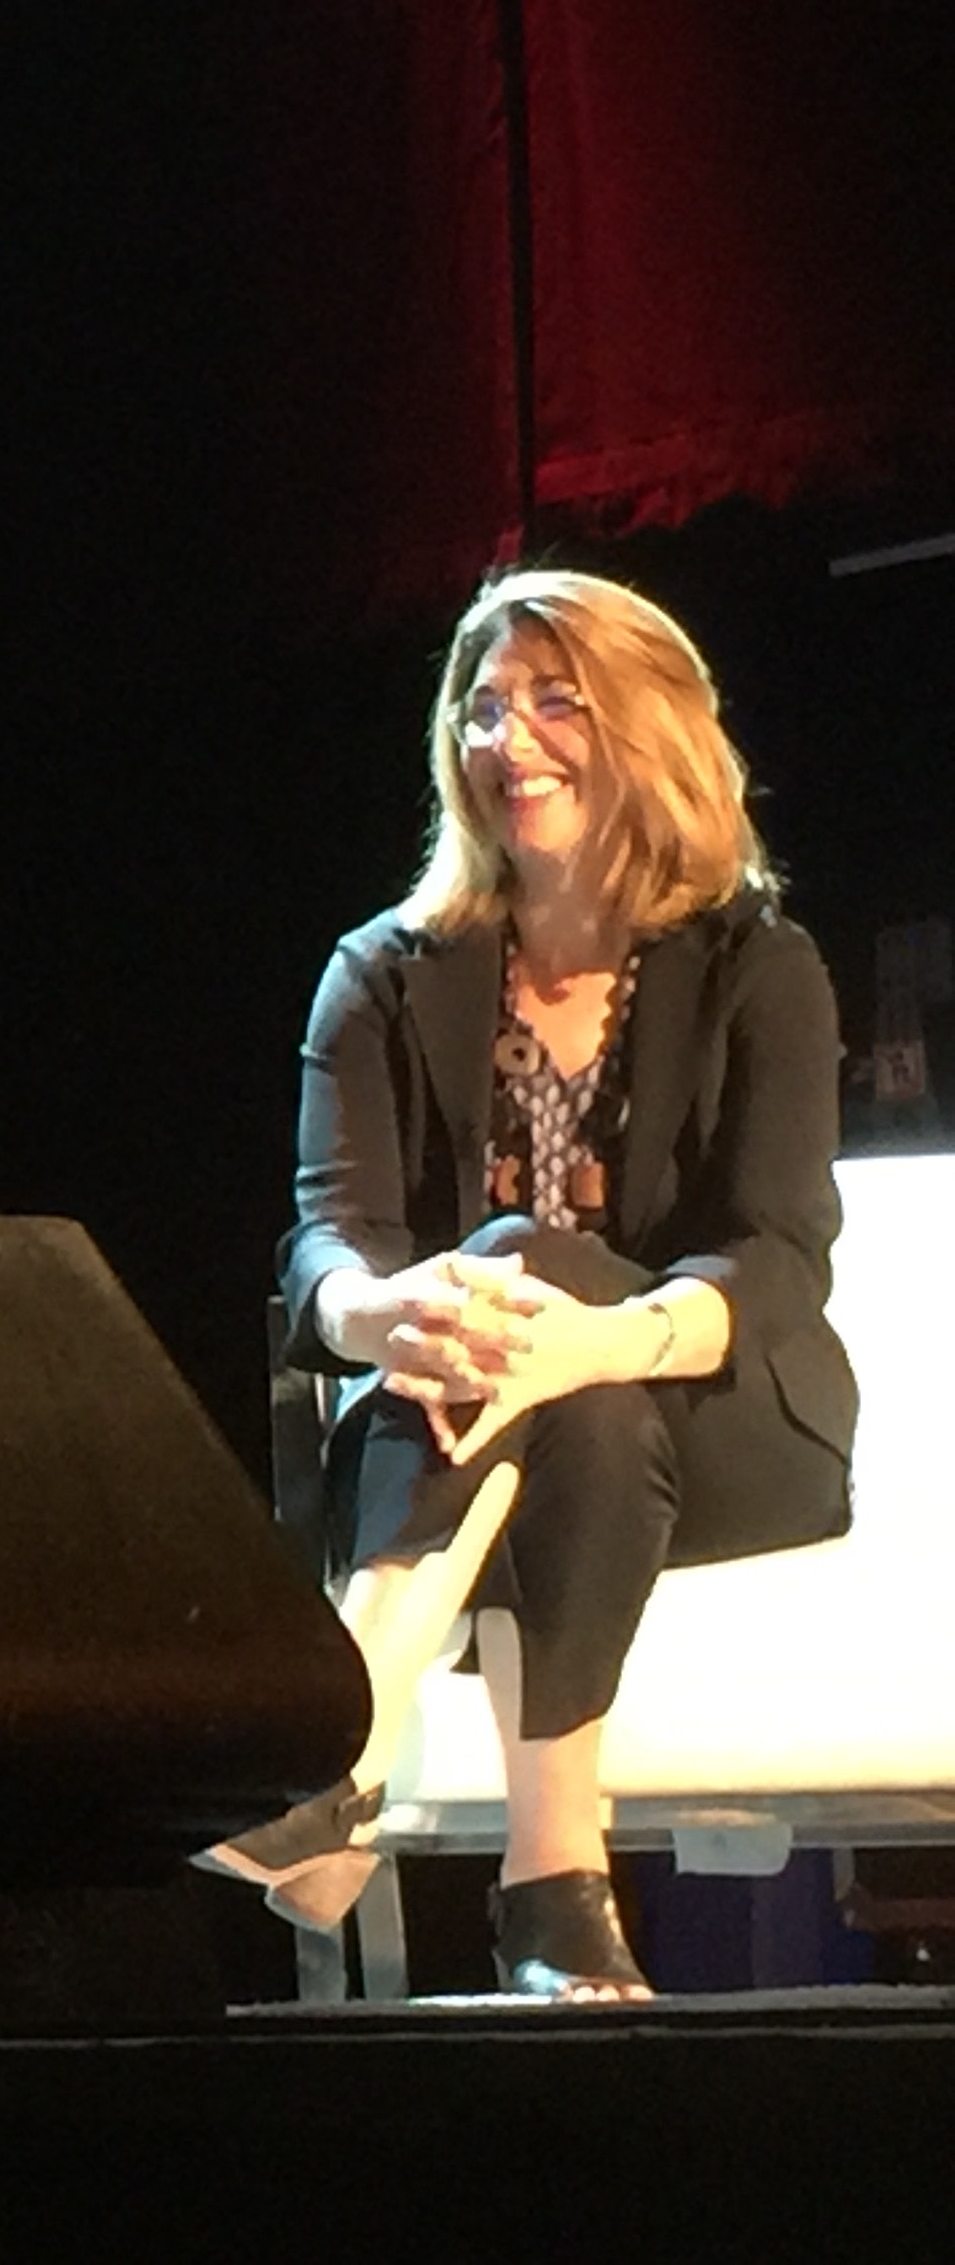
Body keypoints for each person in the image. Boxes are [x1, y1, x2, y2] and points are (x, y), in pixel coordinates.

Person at [203, 568, 857, 2000]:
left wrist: (596, 1334)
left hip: (733, 1426)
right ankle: (557, 1897)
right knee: (536, 1358)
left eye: (559, 701)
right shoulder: (380, 974)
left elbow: (781, 1255)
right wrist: (389, 1314)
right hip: (493, 1448)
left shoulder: (763, 966)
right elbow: (328, 1247)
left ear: (650, 731)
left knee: (528, 1278)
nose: (514, 737)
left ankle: (332, 1749)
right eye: (486, 707)